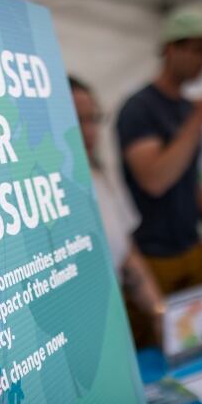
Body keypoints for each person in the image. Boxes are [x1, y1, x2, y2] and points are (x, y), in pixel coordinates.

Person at [116, 7, 202, 296]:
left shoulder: (186, 107)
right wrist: (199, 118)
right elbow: (155, 180)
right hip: (153, 254)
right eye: (199, 50)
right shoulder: (139, 108)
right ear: (171, 49)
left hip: (191, 244)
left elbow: (190, 175)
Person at [69, 76, 165, 348]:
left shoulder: (102, 175)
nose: (88, 132)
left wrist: (159, 313)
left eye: (92, 119)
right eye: (76, 120)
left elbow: (126, 253)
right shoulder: (43, 189)